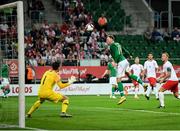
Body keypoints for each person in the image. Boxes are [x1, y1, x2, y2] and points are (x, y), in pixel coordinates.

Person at [106, 35, 148, 105]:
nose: (106, 41)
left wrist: (116, 62)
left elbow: (117, 53)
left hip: (121, 62)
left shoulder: (112, 46)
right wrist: (129, 55)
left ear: (111, 39)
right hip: (125, 61)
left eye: (107, 39)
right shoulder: (118, 44)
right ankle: (143, 84)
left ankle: (122, 96)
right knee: (130, 75)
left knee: (118, 79)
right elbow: (124, 50)